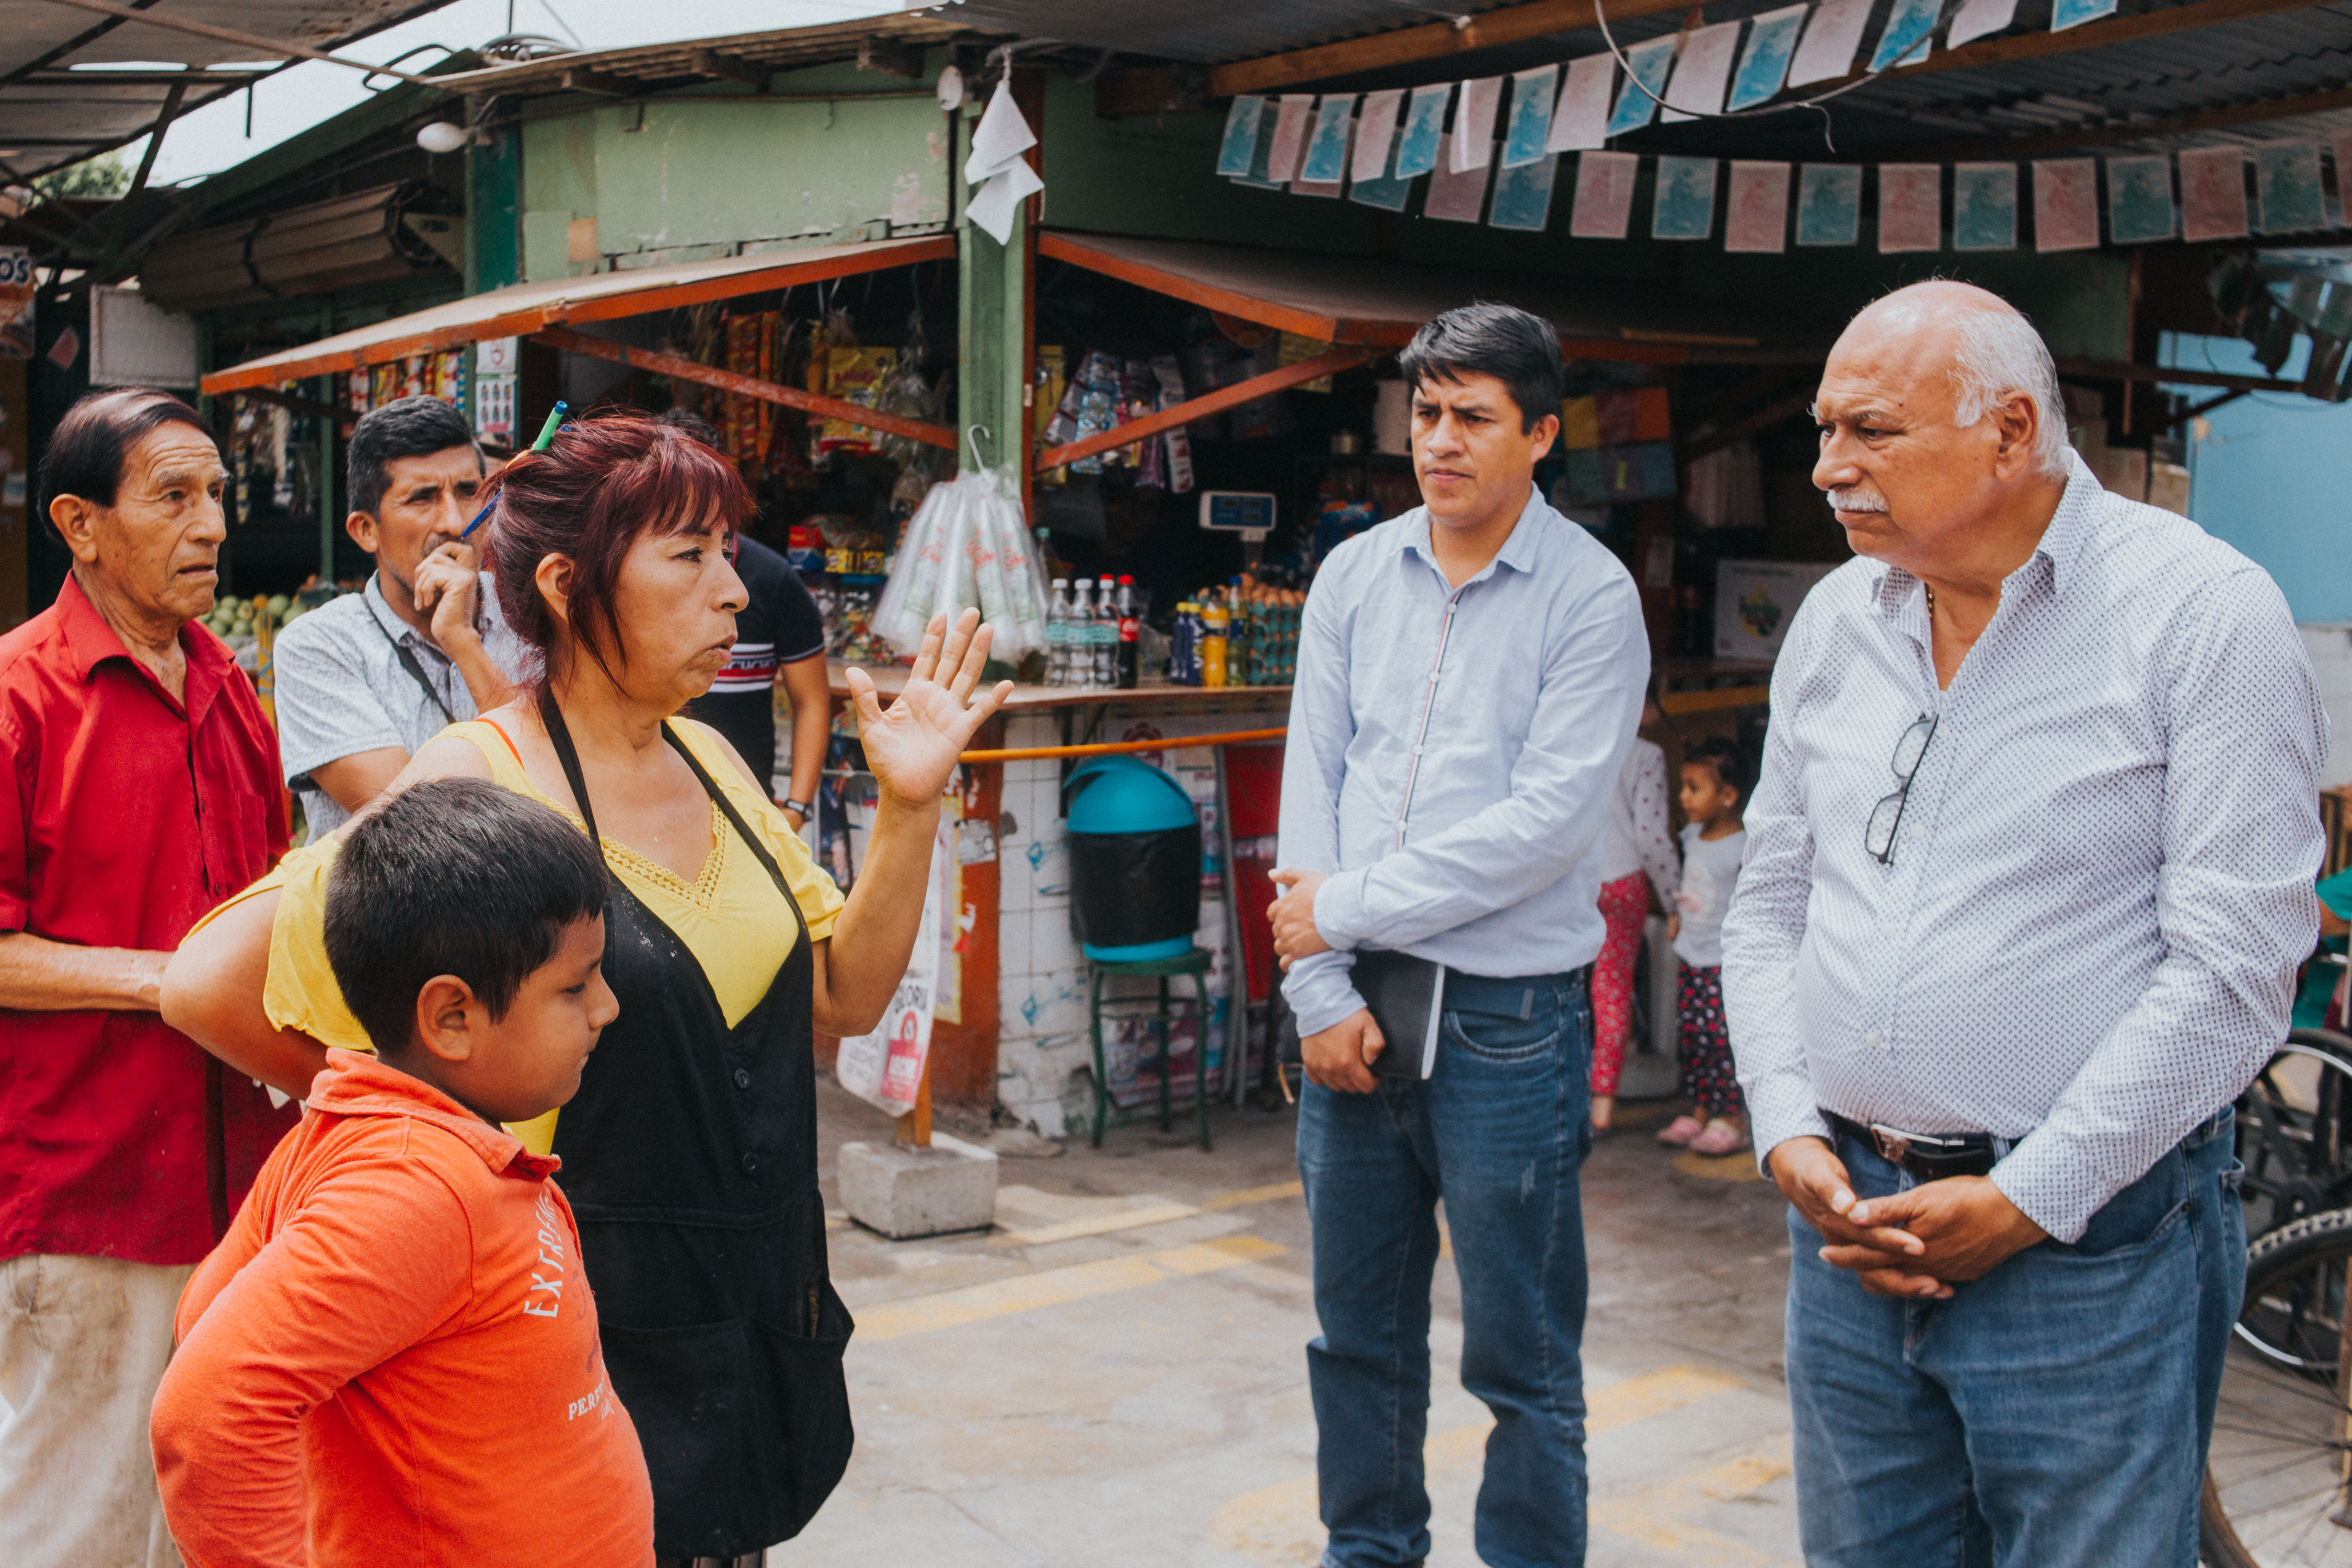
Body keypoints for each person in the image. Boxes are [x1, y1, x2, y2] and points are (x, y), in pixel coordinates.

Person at [164, 411, 1009, 1566]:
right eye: (691, 556)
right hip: (568, 1335)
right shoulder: (481, 776)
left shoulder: (709, 758)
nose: (735, 595)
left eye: (729, 553)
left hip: (748, 1296)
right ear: (566, 584)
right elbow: (210, 986)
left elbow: (840, 1001)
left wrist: (911, 807)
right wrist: (440, 1156)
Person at [1721, 281, 2327, 1566]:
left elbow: (2232, 969)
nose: (1828, 467)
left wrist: (2024, 1196)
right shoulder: (1836, 620)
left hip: (2090, 1244)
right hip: (1845, 1220)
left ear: (2005, 432)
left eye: (1869, 431)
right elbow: (1769, 892)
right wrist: (1782, 1123)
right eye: (1825, 430)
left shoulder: (2197, 616)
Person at [1267, 303, 1649, 1567]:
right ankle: (1366, 1552)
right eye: (1424, 413)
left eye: (1472, 417)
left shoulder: (1591, 600)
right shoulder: (1351, 575)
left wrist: (1337, 911)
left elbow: (1542, 831)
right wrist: (1318, 986)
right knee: (1354, 1335)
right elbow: (1309, 783)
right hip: (1355, 1008)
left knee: (1521, 1357)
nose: (1438, 440)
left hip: (1505, 1025)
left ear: (1540, 434)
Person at [152, 778, 651, 1568]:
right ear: (451, 1017)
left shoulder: (364, 1128)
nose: (607, 1007)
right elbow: (209, 1412)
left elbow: (205, 1317)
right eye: (574, 986)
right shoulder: (417, 1189)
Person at [0, 388, 297, 1568]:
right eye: (173, 496)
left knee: (210, 1517)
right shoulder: (19, 696)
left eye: (218, 493)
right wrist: (170, 982)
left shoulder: (229, 687)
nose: (213, 523)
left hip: (241, 1192)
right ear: (80, 525)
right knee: (78, 1520)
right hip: (90, 1193)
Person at [272, 394, 534, 837]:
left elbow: (568, 773)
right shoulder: (320, 645)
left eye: (469, 492)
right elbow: (412, 824)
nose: (454, 522)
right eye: (422, 499)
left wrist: (464, 643)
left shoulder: (530, 613)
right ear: (365, 531)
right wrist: (459, 636)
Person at [662, 408, 831, 827]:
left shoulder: (773, 580)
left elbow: (811, 699)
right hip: (648, 810)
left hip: (748, 811)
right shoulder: (631, 580)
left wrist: (796, 808)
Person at [1589, 687, 1679, 1133]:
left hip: (1575, 881)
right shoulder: (1646, 755)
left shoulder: (1584, 740)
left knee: (1567, 987)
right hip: (1623, 882)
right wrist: (1674, 894)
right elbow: (1651, 836)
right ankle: (1602, 1106)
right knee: (1611, 990)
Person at [1655, 736, 1748, 1155]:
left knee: (1721, 1039)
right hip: (1693, 955)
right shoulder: (1692, 835)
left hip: (1723, 962)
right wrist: (1676, 917)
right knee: (1692, 1035)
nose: (1684, 797)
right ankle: (1699, 1110)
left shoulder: (1742, 847)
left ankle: (1730, 1117)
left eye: (1695, 787)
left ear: (1728, 795)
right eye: (1683, 786)